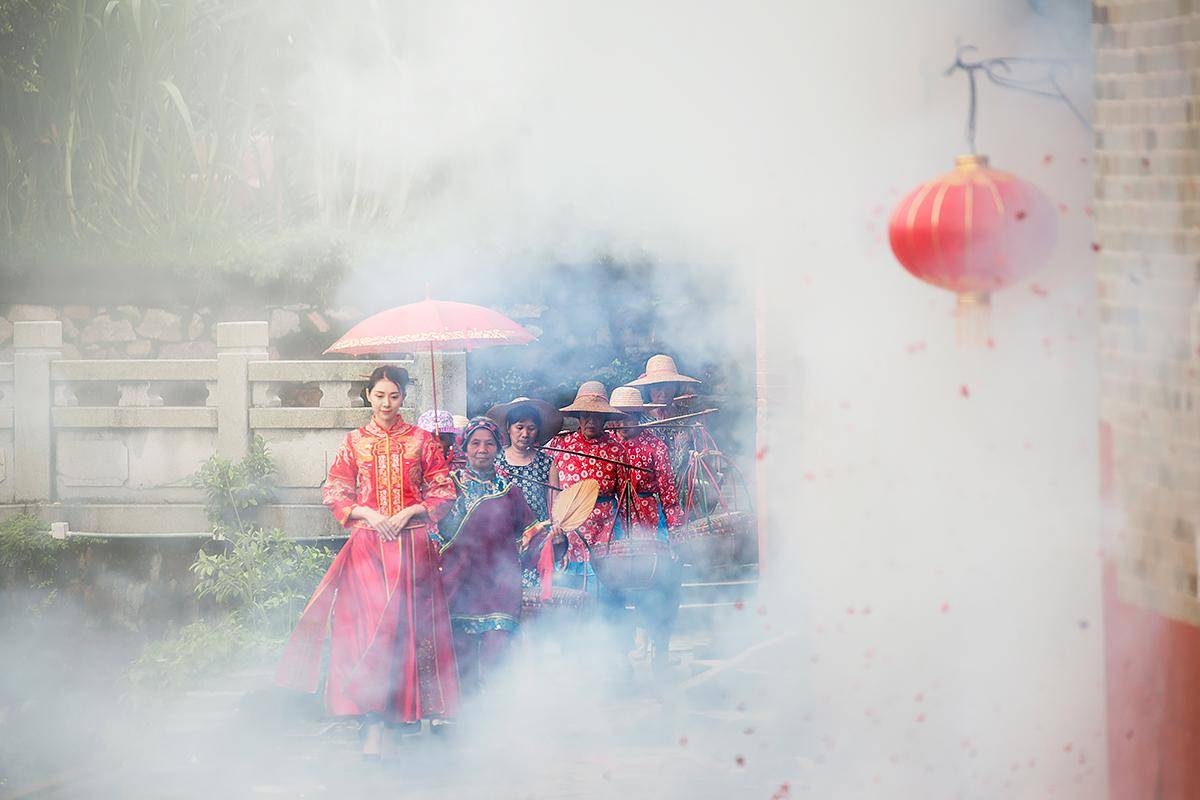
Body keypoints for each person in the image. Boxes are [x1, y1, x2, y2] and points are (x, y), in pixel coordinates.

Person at [276, 365, 459, 760]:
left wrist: (410, 511)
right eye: (379, 395)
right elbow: (334, 490)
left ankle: (395, 722)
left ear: (404, 397)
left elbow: (444, 491)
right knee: (368, 632)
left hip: (411, 548)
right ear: (368, 395)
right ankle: (372, 723)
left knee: (404, 632)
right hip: (367, 548)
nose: (386, 403)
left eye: (394, 396)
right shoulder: (354, 442)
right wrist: (368, 514)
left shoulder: (422, 441)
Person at [437, 417, 565, 695]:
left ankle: (496, 712)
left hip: (499, 585)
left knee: (498, 655)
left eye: (489, 444)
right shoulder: (448, 487)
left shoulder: (509, 491)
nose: (482, 450)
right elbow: (434, 535)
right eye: (475, 443)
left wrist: (552, 540)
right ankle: (463, 712)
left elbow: (530, 535)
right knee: (461, 657)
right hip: (459, 584)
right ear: (464, 447)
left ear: (498, 448)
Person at [607, 386, 686, 674]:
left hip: (651, 521)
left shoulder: (655, 446)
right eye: (618, 417)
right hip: (616, 524)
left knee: (661, 584)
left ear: (639, 416)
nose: (623, 423)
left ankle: (660, 649)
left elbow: (668, 493)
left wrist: (675, 532)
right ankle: (620, 656)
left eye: (629, 416)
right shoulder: (606, 446)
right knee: (614, 587)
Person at [548, 381, 629, 589]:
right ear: (578, 417)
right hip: (568, 525)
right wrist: (554, 522)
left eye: (597, 416)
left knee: (601, 586)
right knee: (568, 587)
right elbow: (552, 489)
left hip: (605, 528)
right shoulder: (561, 446)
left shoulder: (616, 450)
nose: (591, 421)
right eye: (586, 415)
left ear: (605, 419)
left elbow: (624, 499)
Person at [487, 396, 563, 522]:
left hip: (539, 531)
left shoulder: (546, 463)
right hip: (501, 530)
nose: (525, 434)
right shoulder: (494, 460)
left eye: (531, 428)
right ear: (508, 427)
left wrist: (555, 526)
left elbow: (555, 505)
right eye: (519, 427)